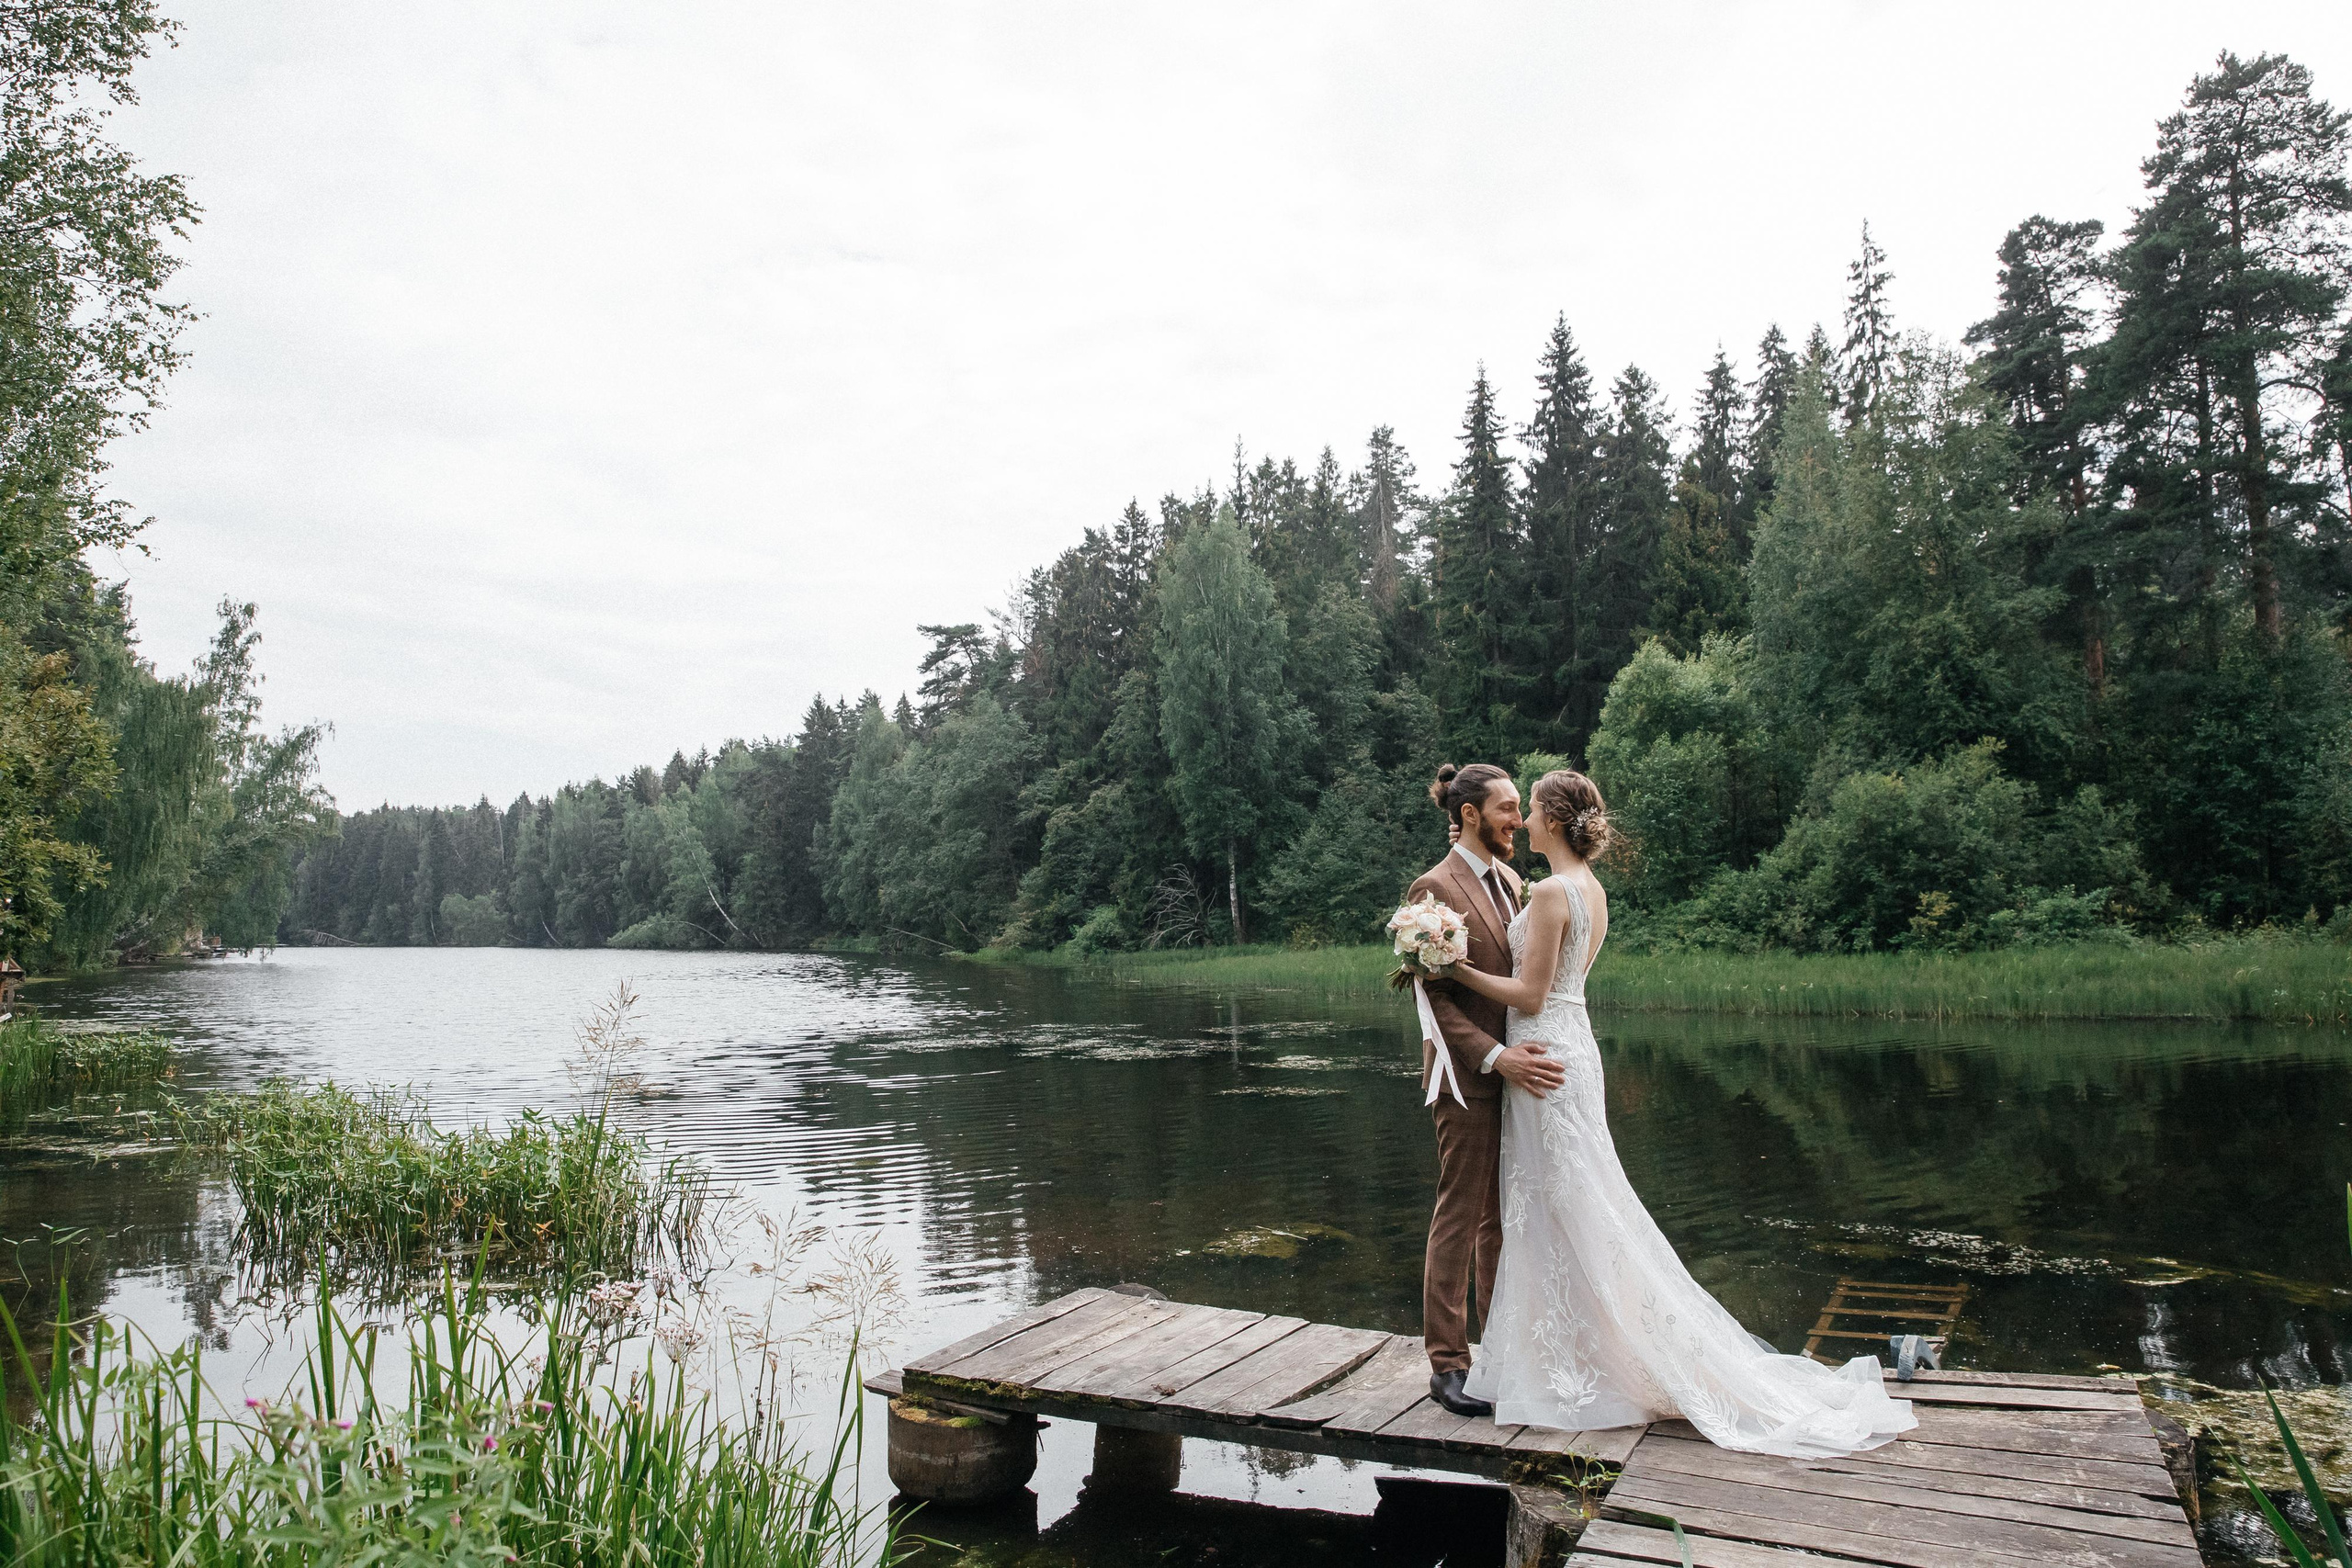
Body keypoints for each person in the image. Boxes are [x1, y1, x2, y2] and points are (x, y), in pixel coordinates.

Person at [1441, 767, 1916, 1456]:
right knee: (1572, 1204)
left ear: (1554, 818)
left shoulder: (1546, 891)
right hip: (1571, 1051)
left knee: (1564, 1205)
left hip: (1544, 1053)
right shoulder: (1589, 890)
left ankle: (1584, 1360)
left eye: (1532, 808)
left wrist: (1453, 967)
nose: (1524, 819)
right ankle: (1565, 1355)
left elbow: (1532, 992)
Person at [1408, 762, 1566, 1417]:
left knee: (1502, 1219)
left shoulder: (1510, 880)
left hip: (1520, 1078)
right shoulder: (1433, 887)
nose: (1516, 820)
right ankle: (1447, 1364)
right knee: (1460, 1214)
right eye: (1506, 807)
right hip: (1468, 1078)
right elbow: (1434, 995)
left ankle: (1499, 1354)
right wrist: (1495, 1056)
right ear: (1469, 813)